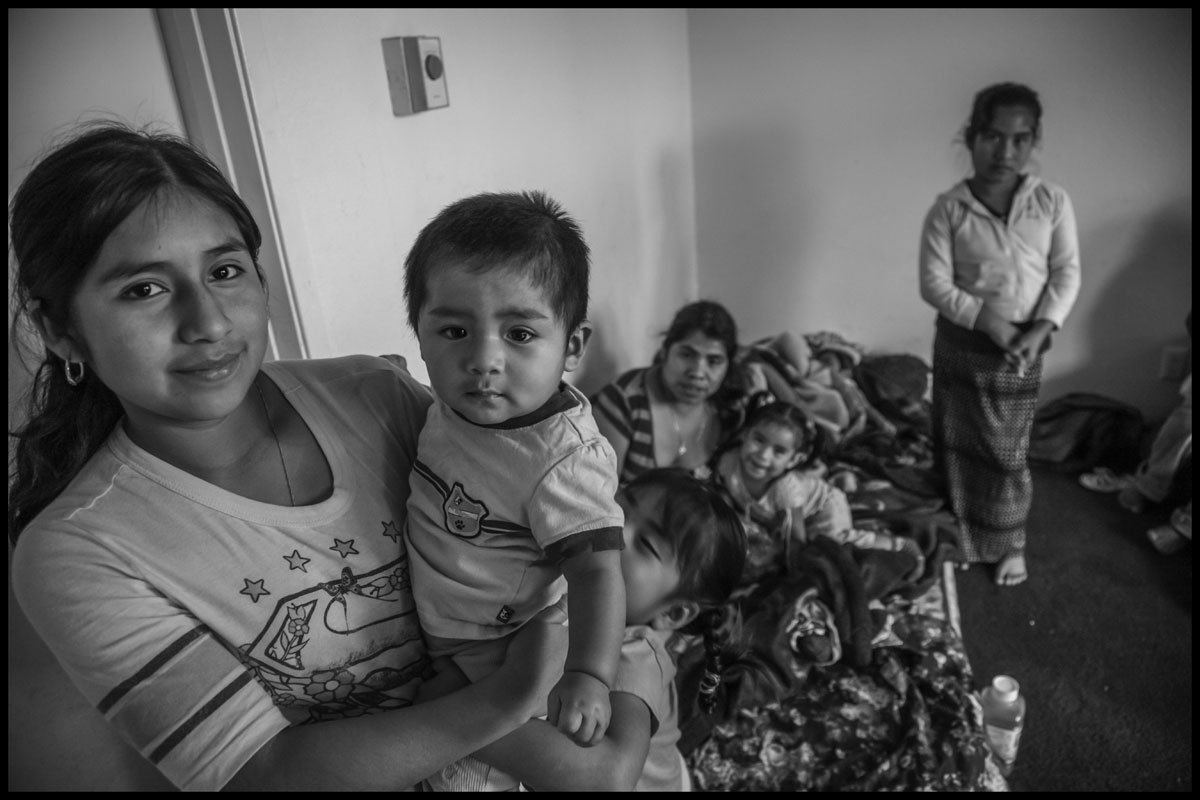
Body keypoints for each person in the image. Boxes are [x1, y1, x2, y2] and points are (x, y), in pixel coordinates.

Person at [6, 122, 566, 791]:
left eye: (225, 270)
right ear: (59, 330)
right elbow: (264, 774)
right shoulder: (78, 551)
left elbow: (540, 534)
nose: (209, 322)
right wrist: (510, 697)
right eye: (144, 289)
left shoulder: (377, 396)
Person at [401, 190, 626, 790]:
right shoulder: (452, 406)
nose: (483, 360)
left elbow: (598, 572)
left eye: (520, 334)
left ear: (571, 347)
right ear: (418, 335)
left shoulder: (562, 459)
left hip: (504, 645)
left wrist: (590, 675)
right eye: (453, 330)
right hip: (442, 630)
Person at [464, 468, 758, 790]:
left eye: (646, 543)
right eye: (618, 504)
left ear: (673, 613)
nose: (614, 525)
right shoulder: (573, 580)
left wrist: (465, 720)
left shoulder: (635, 652)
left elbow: (611, 780)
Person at [918, 81, 1082, 587]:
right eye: (992, 136)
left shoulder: (1050, 201)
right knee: (955, 441)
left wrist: (1040, 328)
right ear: (970, 138)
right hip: (962, 345)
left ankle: (1010, 539)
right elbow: (934, 283)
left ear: (1033, 142)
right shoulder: (949, 209)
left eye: (1019, 139)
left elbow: (1066, 271)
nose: (1004, 151)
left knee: (1006, 451)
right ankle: (964, 533)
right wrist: (990, 321)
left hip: (1020, 354)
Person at [711, 399, 920, 585]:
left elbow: (795, 541)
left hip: (823, 506)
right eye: (758, 440)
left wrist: (786, 580)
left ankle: (897, 544)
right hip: (778, 517)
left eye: (779, 451)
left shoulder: (785, 489)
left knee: (830, 542)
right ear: (746, 434)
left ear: (794, 460)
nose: (763, 456)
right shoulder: (728, 462)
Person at [592, 299, 746, 485]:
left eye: (714, 361)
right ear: (665, 351)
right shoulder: (624, 402)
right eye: (687, 355)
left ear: (728, 365)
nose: (697, 373)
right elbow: (601, 498)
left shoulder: (728, 409)